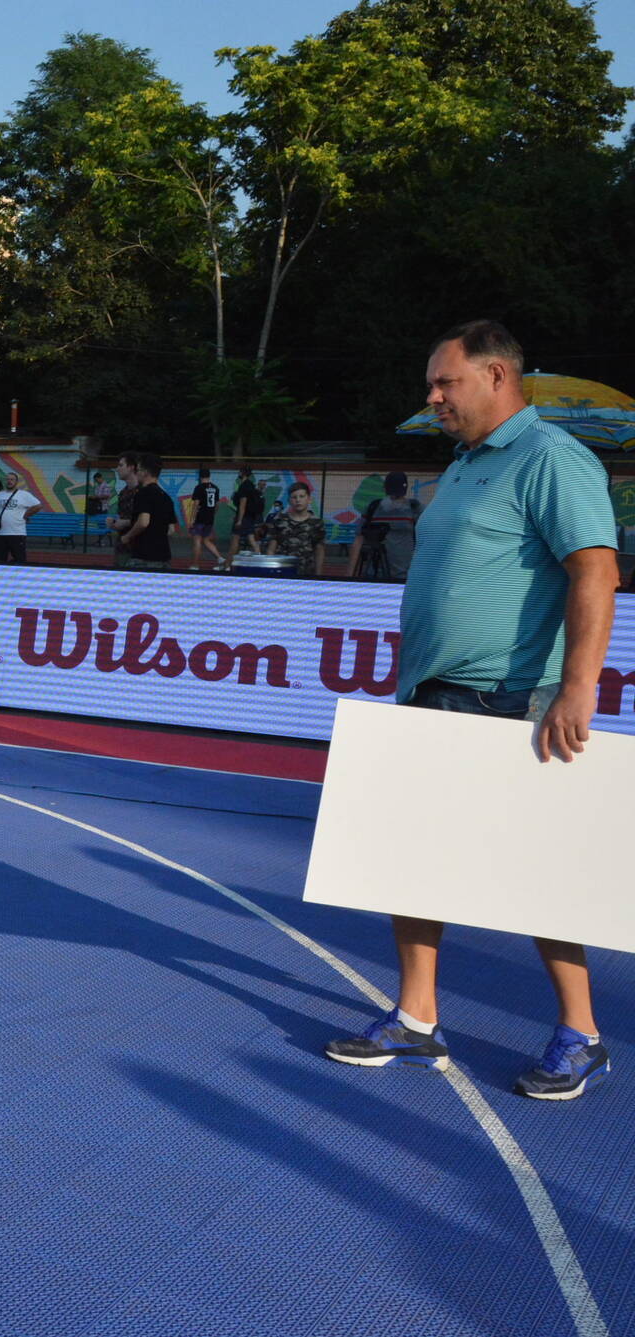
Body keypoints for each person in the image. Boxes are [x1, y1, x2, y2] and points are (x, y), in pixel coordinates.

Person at [325, 319, 618, 1099]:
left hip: (507, 697)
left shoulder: (552, 458)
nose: (433, 396)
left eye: (444, 382)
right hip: (434, 692)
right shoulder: (461, 464)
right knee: (409, 858)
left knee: (535, 871)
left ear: (495, 376)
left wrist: (578, 687)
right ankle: (417, 1018)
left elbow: (595, 571)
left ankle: (581, 1034)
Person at [347, 470, 421, 581]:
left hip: (405, 574)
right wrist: (348, 576)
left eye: (397, 495)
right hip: (376, 572)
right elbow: (358, 540)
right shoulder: (373, 508)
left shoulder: (415, 508)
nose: (394, 498)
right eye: (393, 494)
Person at [115, 452, 175, 571]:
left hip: (144, 557)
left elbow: (143, 522)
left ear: (146, 472)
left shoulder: (143, 493)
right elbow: (171, 530)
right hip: (164, 557)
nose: (136, 472)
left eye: (139, 469)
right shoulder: (166, 497)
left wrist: (127, 536)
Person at [258, 480, 326, 576]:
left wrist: (318, 574)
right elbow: (271, 548)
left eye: (302, 496)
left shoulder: (316, 523)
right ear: (289, 501)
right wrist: (269, 572)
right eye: (294, 497)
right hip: (281, 572)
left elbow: (319, 550)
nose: (298, 500)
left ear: (309, 499)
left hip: (306, 573)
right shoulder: (279, 520)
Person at [0, 470, 41, 565]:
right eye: (7, 479)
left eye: (12, 479)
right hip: (0, 534)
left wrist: (26, 515)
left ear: (16, 482)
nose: (9, 481)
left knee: (20, 562)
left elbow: (38, 506)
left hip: (17, 533)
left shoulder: (24, 495)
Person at [186, 466, 224, 571]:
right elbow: (217, 505)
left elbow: (195, 505)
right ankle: (220, 558)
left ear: (200, 476)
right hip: (209, 518)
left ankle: (195, 565)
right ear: (209, 475)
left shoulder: (199, 488)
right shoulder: (216, 488)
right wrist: (212, 514)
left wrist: (192, 519)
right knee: (206, 540)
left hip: (200, 518)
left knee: (197, 541)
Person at [228, 468, 265, 561]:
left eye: (239, 471)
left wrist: (239, 520)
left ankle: (228, 565)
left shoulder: (244, 486)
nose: (238, 473)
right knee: (252, 540)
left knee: (234, 540)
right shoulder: (251, 485)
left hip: (244, 517)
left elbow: (242, 504)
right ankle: (259, 559)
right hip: (250, 517)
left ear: (242, 473)